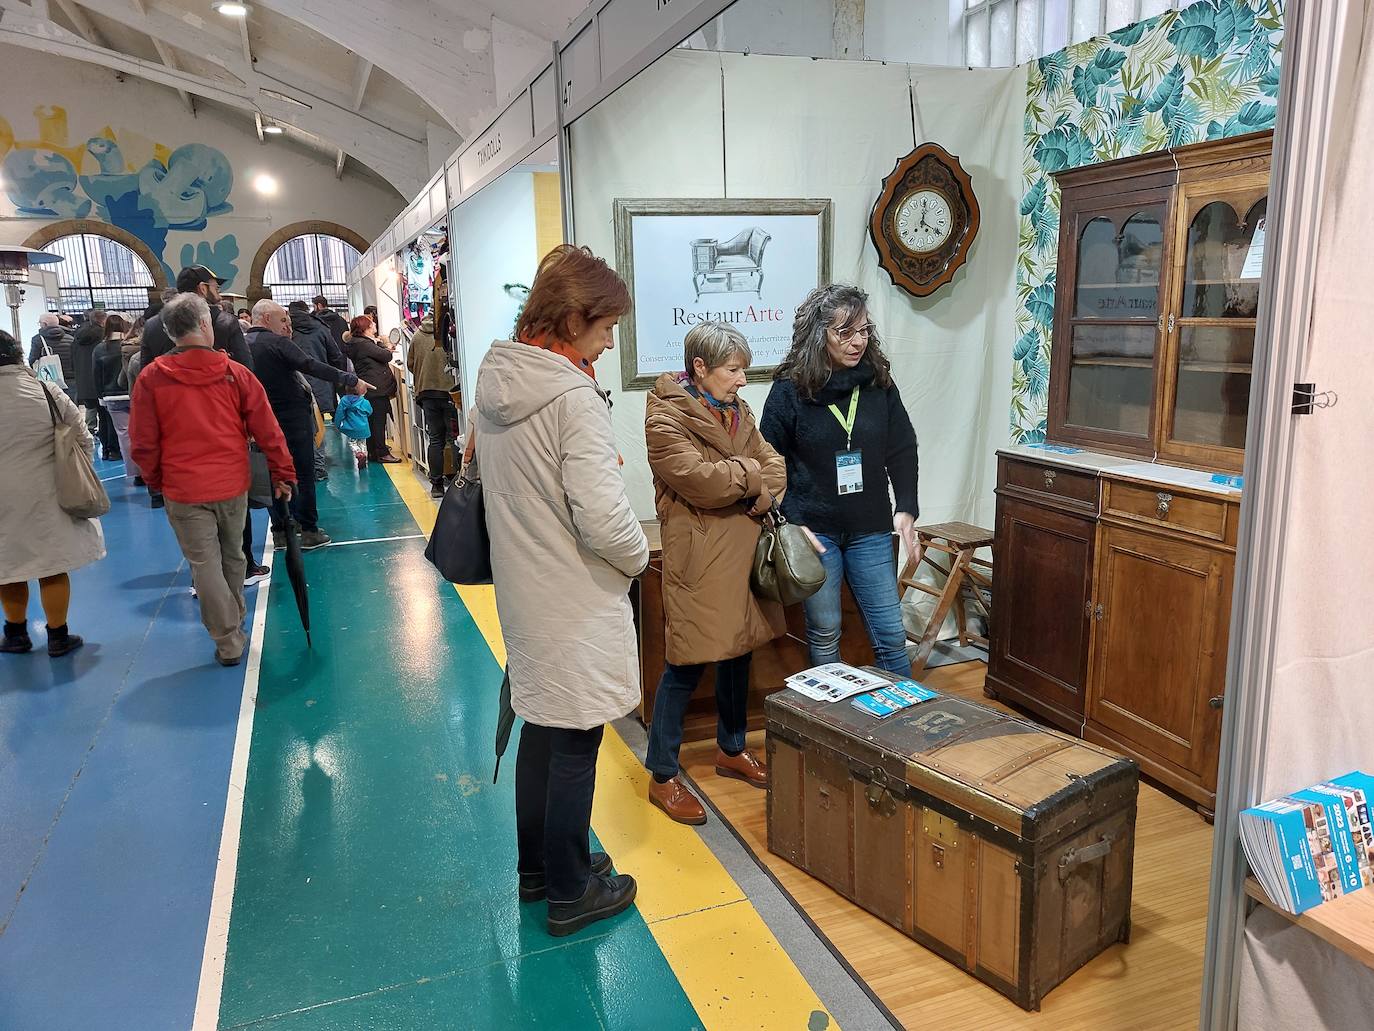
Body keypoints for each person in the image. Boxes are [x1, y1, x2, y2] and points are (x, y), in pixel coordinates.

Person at [475, 244, 647, 937]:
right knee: (576, 740)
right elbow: (603, 517)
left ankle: (540, 870)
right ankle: (573, 892)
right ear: (574, 318)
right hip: (574, 595)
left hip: (525, 587)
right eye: (605, 329)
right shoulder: (572, 398)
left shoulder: (499, 382)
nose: (607, 345)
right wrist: (637, 556)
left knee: (542, 732)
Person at [642, 322, 786, 824]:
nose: (743, 380)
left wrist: (758, 487)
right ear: (699, 369)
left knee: (738, 653)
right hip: (699, 559)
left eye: (744, 368)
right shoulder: (664, 415)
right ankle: (662, 773)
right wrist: (752, 482)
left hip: (742, 551)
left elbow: (776, 467)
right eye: (734, 369)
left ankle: (730, 748)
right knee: (685, 665)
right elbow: (698, 482)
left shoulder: (739, 411)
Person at [760, 284, 919, 678]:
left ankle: (902, 729)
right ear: (819, 335)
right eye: (844, 333)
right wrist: (787, 521)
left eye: (863, 331)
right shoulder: (790, 390)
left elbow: (902, 448)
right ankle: (832, 729)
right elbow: (765, 462)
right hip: (815, 533)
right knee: (825, 632)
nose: (857, 342)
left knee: (890, 634)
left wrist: (906, 509)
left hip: (870, 529)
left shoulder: (878, 383)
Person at [128, 294, 295, 666]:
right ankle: (232, 623)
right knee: (233, 554)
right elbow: (268, 430)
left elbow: (142, 440)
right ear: (206, 325)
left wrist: (157, 478)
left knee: (203, 564)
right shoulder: (235, 373)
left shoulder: (151, 378)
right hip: (231, 482)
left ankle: (227, 638)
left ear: (171, 332)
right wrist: (283, 472)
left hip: (183, 487)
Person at [0, 331, 104, 656]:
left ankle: (16, 633)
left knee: (7, 565)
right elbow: (81, 433)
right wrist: (80, 469)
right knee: (51, 565)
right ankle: (58, 636)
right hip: (47, 492)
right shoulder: (45, 390)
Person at [246, 300, 370, 550]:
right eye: (283, 321)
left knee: (272, 474)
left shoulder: (243, 345)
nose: (288, 328)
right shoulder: (277, 344)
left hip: (260, 421)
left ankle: (280, 530)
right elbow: (311, 365)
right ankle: (310, 530)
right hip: (292, 418)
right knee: (303, 471)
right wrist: (349, 378)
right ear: (266, 319)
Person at [140, 265, 253, 371]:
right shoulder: (226, 321)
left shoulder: (152, 324)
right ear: (203, 288)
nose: (219, 291)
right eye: (216, 287)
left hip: (166, 389)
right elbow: (245, 366)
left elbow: (145, 368)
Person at [288, 299, 347, 482]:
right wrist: (337, 380)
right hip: (321, 382)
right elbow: (336, 356)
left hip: (295, 383)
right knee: (319, 426)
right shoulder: (320, 328)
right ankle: (319, 468)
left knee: (300, 427)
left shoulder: (287, 330)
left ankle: (302, 467)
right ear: (307, 310)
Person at [405, 311, 458, 498]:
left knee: (435, 439)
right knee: (454, 439)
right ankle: (457, 483)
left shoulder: (417, 336)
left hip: (427, 393)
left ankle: (436, 485)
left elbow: (410, 363)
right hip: (450, 392)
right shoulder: (449, 333)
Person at [344, 315, 400, 463]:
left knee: (372, 421)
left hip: (369, 387)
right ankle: (382, 452)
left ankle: (373, 452)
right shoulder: (365, 344)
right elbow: (386, 356)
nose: (375, 325)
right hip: (377, 387)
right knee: (378, 422)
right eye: (372, 324)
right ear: (365, 328)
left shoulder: (356, 343)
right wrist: (383, 344)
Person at [92, 314, 139, 482]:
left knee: (124, 435)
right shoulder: (130, 346)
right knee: (141, 432)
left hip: (111, 396)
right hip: (132, 392)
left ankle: (134, 472)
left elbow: (96, 375)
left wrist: (100, 396)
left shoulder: (99, 349)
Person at [71, 308, 107, 450]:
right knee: (104, 414)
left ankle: (89, 431)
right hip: (99, 377)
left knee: (89, 407)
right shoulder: (102, 335)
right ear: (103, 320)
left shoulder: (77, 335)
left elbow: (72, 357)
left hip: (83, 378)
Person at [28, 312, 75, 393]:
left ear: (44, 324)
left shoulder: (37, 339)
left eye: (40, 323)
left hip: (49, 379)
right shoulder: (70, 338)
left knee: (52, 404)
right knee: (70, 404)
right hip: (70, 378)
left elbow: (32, 360)